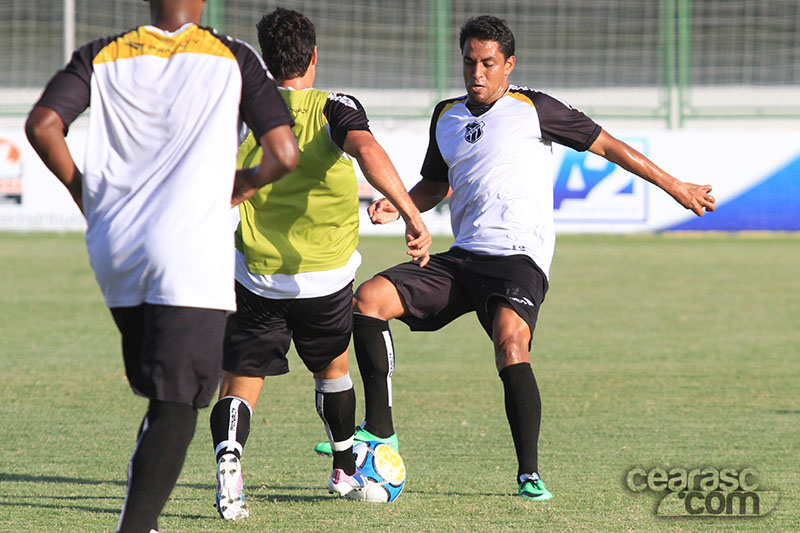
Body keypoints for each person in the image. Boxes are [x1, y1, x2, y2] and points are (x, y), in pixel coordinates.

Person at [316, 14, 716, 501]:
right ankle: (381, 432)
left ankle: (529, 472)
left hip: (517, 260)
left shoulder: (535, 108)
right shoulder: (446, 115)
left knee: (510, 344)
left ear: (508, 65)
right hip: (462, 258)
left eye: (488, 63)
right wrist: (400, 204)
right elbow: (436, 186)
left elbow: (608, 146)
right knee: (368, 299)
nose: (477, 74)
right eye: (469, 63)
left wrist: (677, 186)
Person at [24, 1, 298, 531]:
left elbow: (42, 124)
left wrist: (87, 196)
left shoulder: (102, 53)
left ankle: (142, 521)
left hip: (116, 250)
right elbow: (283, 153)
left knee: (162, 393)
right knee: (177, 402)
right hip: (187, 250)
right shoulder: (232, 55)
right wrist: (241, 186)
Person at [208, 7, 431, 521]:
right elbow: (368, 148)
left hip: (257, 278)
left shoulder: (245, 110)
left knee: (241, 379)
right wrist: (408, 211)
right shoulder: (334, 106)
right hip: (325, 281)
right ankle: (344, 467)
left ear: (266, 61)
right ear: (313, 55)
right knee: (333, 371)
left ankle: (230, 459)